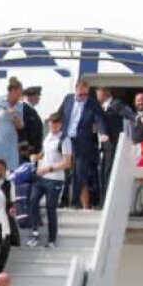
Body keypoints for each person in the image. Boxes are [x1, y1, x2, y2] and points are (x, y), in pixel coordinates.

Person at [55, 79, 108, 210]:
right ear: (76, 89)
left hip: (82, 143)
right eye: (81, 95)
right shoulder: (68, 99)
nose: (84, 97)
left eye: (86, 94)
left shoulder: (93, 104)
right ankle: (63, 200)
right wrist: (53, 126)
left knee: (80, 173)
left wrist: (102, 133)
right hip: (67, 140)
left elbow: (99, 119)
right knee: (65, 172)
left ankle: (75, 203)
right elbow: (59, 114)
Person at [26, 112, 72, 249]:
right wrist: (37, 156)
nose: (53, 125)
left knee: (50, 208)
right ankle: (35, 234)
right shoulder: (48, 136)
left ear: (61, 124)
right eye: (51, 122)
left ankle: (52, 239)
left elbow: (67, 163)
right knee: (32, 200)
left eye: (56, 122)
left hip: (55, 180)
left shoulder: (64, 139)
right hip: (42, 177)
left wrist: (48, 169)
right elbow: (46, 153)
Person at [96, 88, 134, 203]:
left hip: (112, 144)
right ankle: (102, 200)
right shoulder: (100, 107)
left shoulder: (116, 104)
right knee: (102, 173)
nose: (97, 97)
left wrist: (137, 118)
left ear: (105, 93)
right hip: (103, 146)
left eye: (98, 94)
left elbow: (128, 114)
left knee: (108, 172)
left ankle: (106, 201)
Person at [0, 77, 25, 171]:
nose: (21, 93)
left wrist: (14, 115)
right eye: (20, 91)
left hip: (11, 143)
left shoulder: (20, 105)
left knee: (10, 170)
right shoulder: (0, 100)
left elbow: (20, 126)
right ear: (13, 91)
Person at [19, 85, 44, 162]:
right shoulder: (24, 109)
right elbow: (22, 130)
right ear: (29, 96)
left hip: (33, 152)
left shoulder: (31, 110)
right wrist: (25, 150)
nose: (39, 98)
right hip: (27, 153)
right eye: (37, 96)